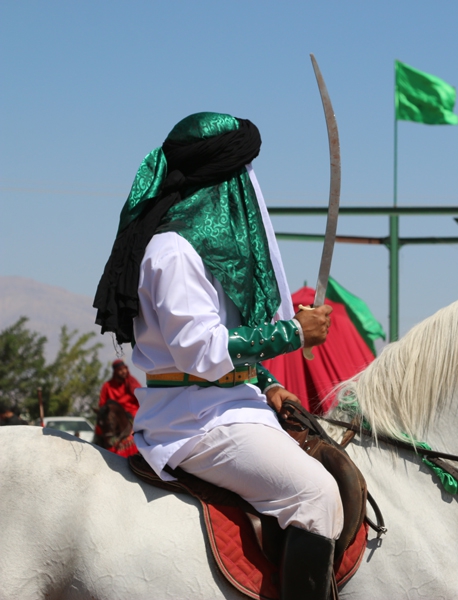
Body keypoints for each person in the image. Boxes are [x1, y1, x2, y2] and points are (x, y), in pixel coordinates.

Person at [92, 112, 341, 600]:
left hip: (230, 407)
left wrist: (268, 383)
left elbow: (224, 337)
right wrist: (293, 332)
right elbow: (200, 350)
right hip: (194, 422)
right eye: (244, 174)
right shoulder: (174, 251)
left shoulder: (206, 252)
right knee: (316, 496)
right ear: (223, 180)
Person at [95, 360, 142, 446]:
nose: (123, 372)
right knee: (101, 425)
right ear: (116, 372)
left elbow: (140, 396)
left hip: (132, 410)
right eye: (120, 370)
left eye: (124, 369)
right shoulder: (107, 386)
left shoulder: (132, 382)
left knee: (140, 424)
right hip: (114, 413)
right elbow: (102, 402)